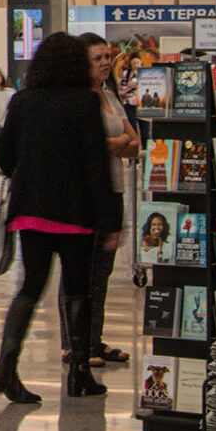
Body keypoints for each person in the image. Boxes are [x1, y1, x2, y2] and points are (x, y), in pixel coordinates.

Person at [0, 31, 123, 404]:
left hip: (30, 212)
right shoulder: (83, 102)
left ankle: (6, 369)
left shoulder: (23, 101)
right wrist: (112, 221)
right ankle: (80, 373)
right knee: (77, 290)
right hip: (75, 214)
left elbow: (4, 158)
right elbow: (97, 167)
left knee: (30, 287)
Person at [73, 33, 140, 369]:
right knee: (80, 272)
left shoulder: (110, 95)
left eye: (106, 58)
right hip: (87, 195)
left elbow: (136, 143)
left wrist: (112, 144)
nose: (103, 64)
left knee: (103, 272)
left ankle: (94, 340)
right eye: (96, 58)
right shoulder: (77, 99)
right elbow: (89, 146)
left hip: (115, 190)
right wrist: (119, 143)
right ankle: (74, 344)